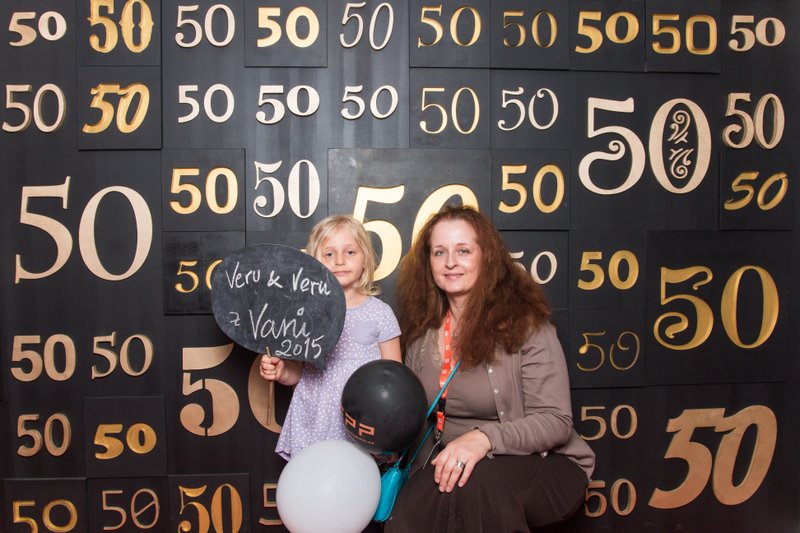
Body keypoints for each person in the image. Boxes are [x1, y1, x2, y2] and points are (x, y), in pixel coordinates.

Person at [386, 205, 595, 532]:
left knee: (477, 484)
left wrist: (483, 439)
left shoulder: (525, 327)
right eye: (439, 252)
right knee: (412, 508)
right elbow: (413, 420)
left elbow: (555, 421)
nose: (450, 262)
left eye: (463, 251)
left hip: (544, 465)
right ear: (428, 263)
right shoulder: (421, 336)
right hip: (454, 468)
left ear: (487, 258)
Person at [260, 215, 402, 460]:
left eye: (350, 252)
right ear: (315, 262)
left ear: (365, 259)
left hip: (361, 419)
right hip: (314, 417)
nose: (339, 261)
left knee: (356, 479)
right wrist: (281, 371)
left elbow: (394, 378)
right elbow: (298, 373)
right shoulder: (305, 313)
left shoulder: (380, 313)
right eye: (329, 254)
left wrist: (390, 432)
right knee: (312, 479)